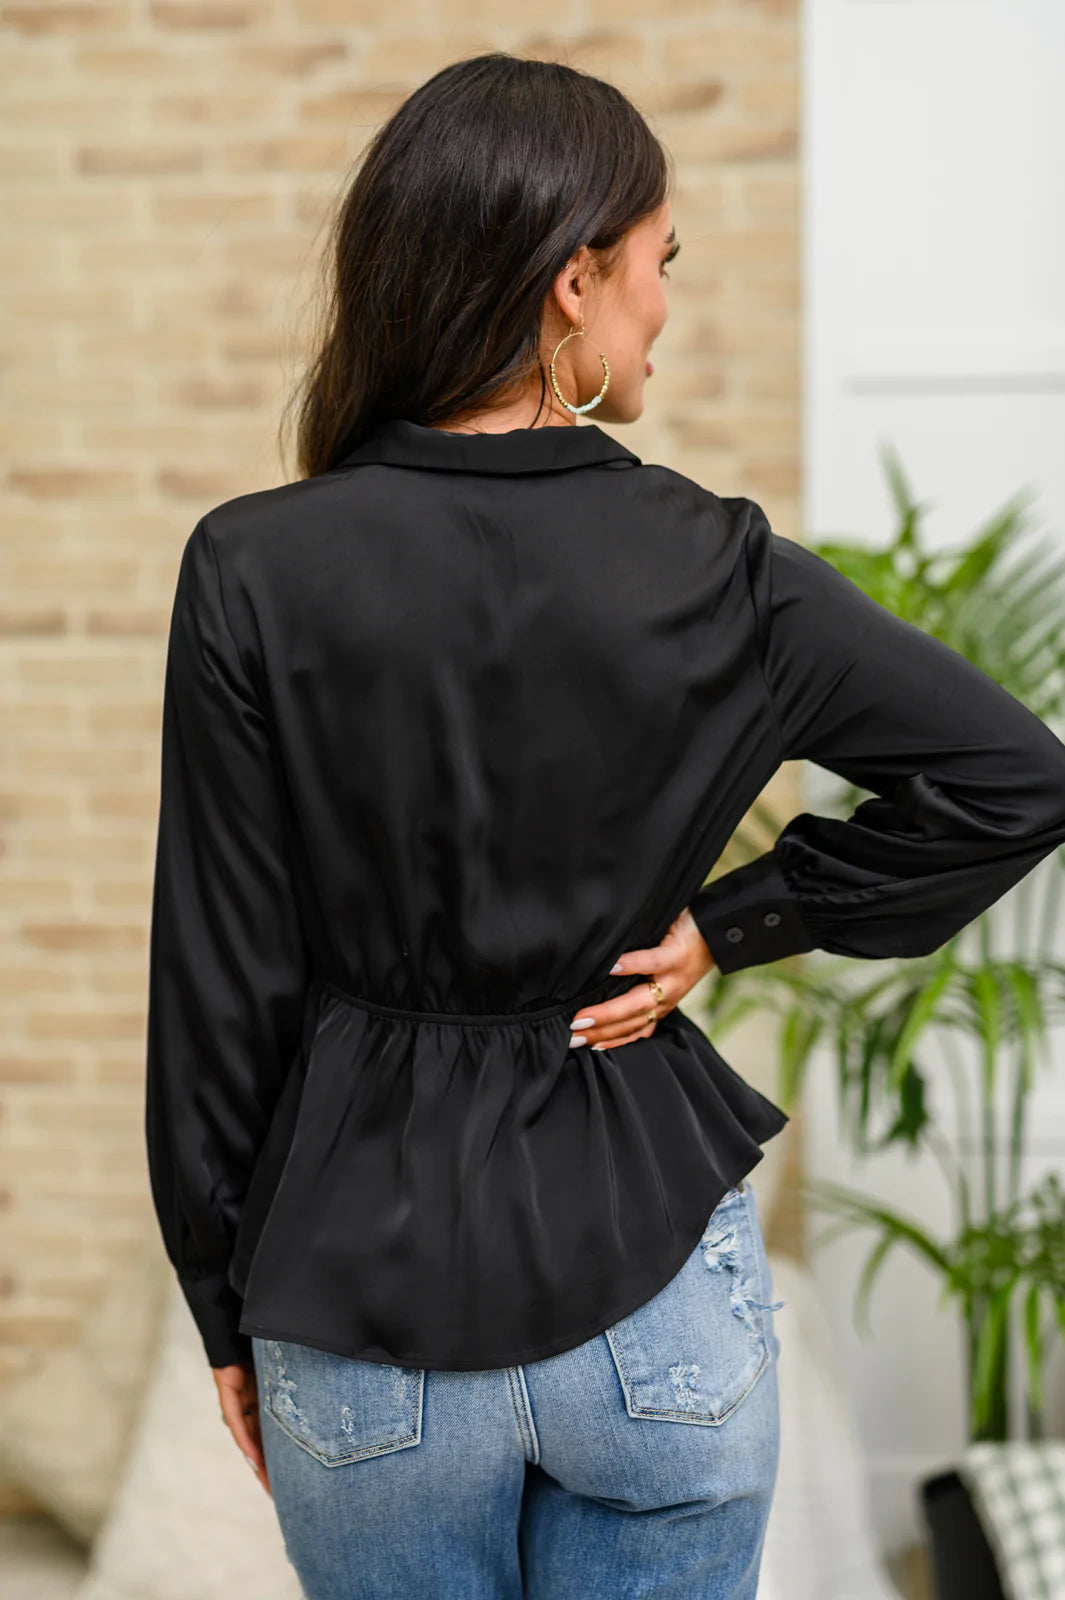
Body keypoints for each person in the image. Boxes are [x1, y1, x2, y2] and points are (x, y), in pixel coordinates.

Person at [143, 51, 1065, 1600]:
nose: (661, 307)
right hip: (655, 1308)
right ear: (573, 281)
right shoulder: (719, 566)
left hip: (360, 1303)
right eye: (657, 263)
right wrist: (733, 924)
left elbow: (217, 986)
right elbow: (1014, 778)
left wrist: (223, 1303)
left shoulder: (253, 566)